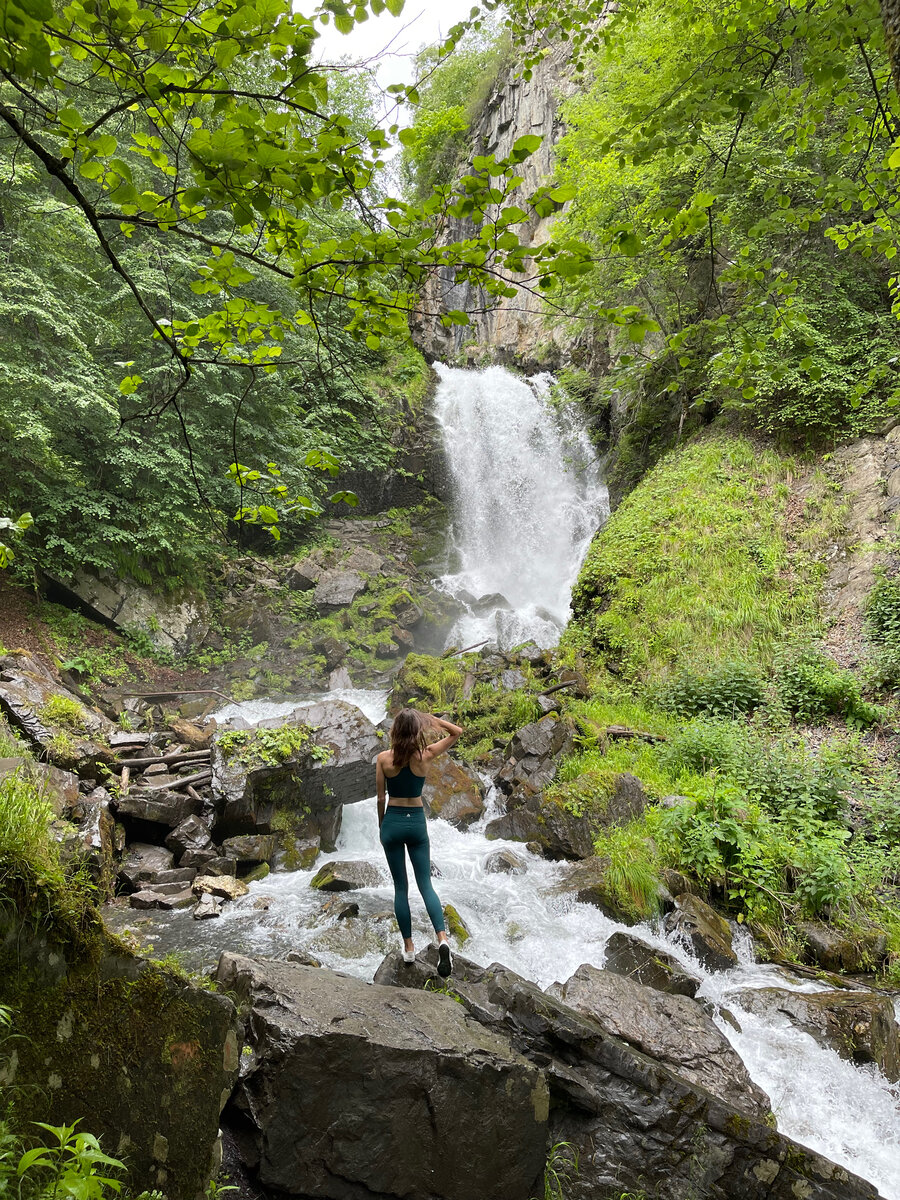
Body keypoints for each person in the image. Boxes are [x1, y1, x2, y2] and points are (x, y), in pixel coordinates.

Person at [376, 708, 464, 977]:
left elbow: (380, 798)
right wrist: (433, 720)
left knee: (400, 888)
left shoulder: (383, 759)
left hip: (392, 822)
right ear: (416, 731)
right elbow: (457, 732)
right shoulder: (426, 755)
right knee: (425, 884)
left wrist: (382, 826)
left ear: (394, 731)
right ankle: (442, 940)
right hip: (416, 823)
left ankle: (409, 948)